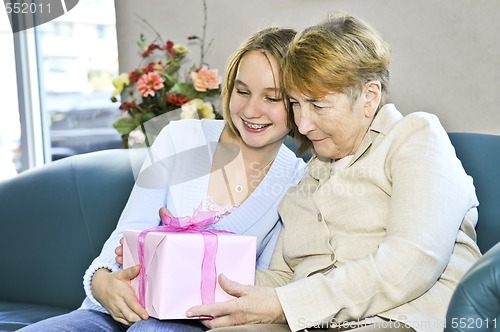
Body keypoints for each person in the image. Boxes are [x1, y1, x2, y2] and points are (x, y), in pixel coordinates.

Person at [184, 12, 482, 332]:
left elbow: (411, 261)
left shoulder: (415, 137)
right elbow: (284, 277)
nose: (303, 124)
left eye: (318, 105)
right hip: (322, 322)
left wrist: (285, 304)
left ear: (369, 97)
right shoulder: (308, 177)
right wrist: (190, 276)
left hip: (408, 316)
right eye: (296, 104)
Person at [18, 27, 306, 332]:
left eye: (272, 98)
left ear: (299, 102)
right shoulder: (181, 137)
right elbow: (129, 231)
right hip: (117, 310)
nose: (250, 110)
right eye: (242, 91)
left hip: (199, 322)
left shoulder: (298, 181)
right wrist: (101, 281)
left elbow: (265, 285)